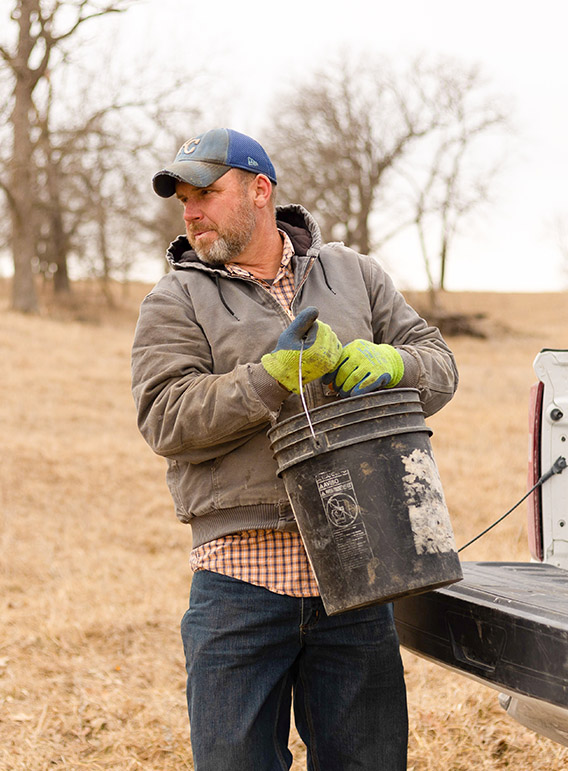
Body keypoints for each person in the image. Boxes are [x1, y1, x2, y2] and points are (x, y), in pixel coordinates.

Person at [131, 128, 459, 770]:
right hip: (240, 584)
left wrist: (395, 362)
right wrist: (270, 378)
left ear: (260, 190)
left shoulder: (353, 273)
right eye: (183, 199)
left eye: (206, 192)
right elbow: (166, 417)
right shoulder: (176, 299)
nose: (191, 210)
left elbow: (440, 363)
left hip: (363, 573)